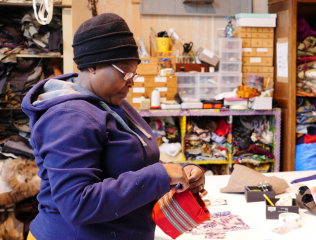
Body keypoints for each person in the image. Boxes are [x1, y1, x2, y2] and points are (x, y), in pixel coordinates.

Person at [21, 13, 205, 240]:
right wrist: (160, 176)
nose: (131, 81)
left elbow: (129, 163)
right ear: (95, 65)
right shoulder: (69, 116)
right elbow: (78, 204)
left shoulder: (114, 103)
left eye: (134, 74)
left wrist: (179, 173)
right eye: (126, 73)